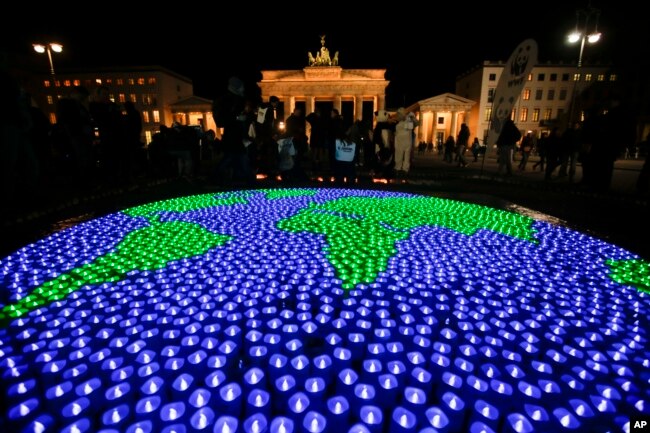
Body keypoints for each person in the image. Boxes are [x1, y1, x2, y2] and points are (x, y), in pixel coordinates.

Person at [393, 107, 419, 177]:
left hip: (405, 142)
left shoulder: (408, 120)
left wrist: (412, 117)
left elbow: (416, 123)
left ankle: (403, 169)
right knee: (400, 155)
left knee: (405, 156)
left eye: (398, 114)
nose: (397, 116)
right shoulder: (399, 122)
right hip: (400, 142)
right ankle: (399, 168)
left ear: (402, 115)